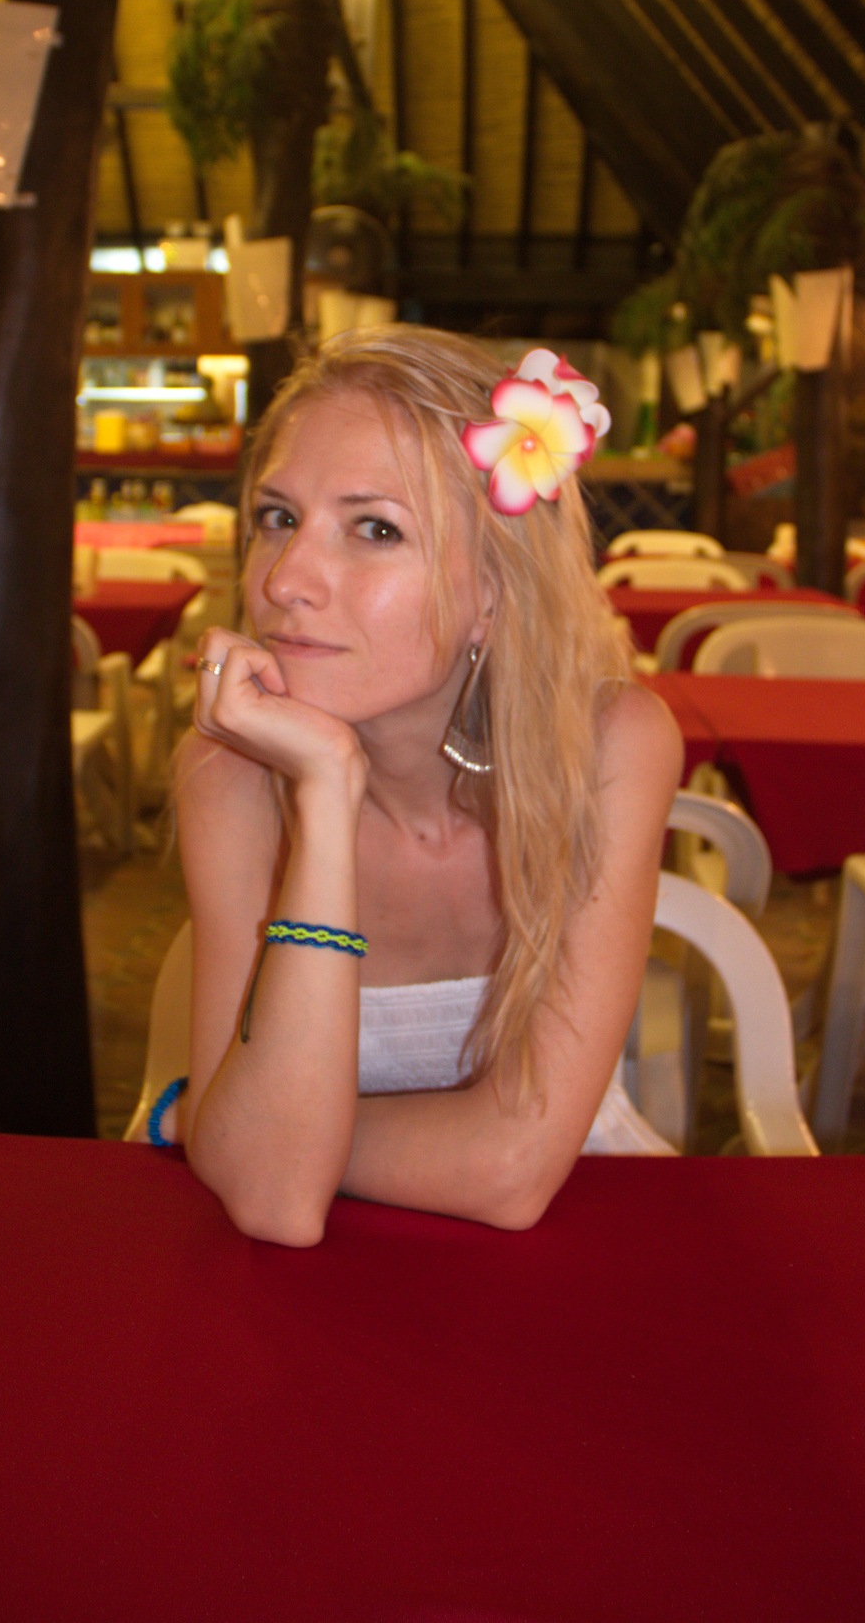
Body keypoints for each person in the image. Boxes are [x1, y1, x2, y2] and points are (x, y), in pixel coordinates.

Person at [166, 327, 682, 1244]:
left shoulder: (609, 749)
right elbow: (274, 1204)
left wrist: (265, 1136)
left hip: (572, 1231)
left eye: (375, 529)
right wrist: (326, 790)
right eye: (278, 517)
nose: (285, 581)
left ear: (494, 591)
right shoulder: (231, 773)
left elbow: (514, 1174)